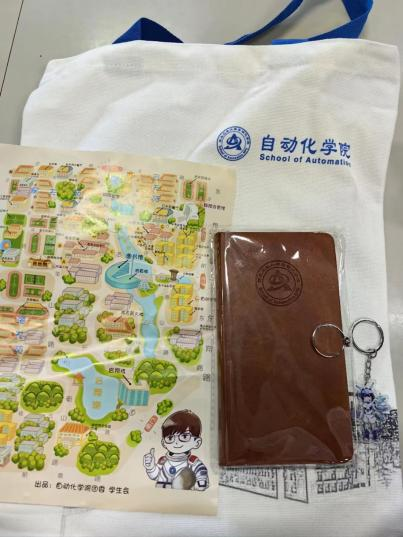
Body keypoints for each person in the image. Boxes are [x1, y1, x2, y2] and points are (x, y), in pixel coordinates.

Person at [143, 409, 209, 490]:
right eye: (170, 438)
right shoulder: (163, 460)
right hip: (161, 493)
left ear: (197, 442)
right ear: (163, 442)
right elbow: (156, 476)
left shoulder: (192, 461)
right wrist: (150, 467)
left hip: (183, 495)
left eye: (184, 437)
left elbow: (201, 472)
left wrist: (201, 483)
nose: (176, 442)